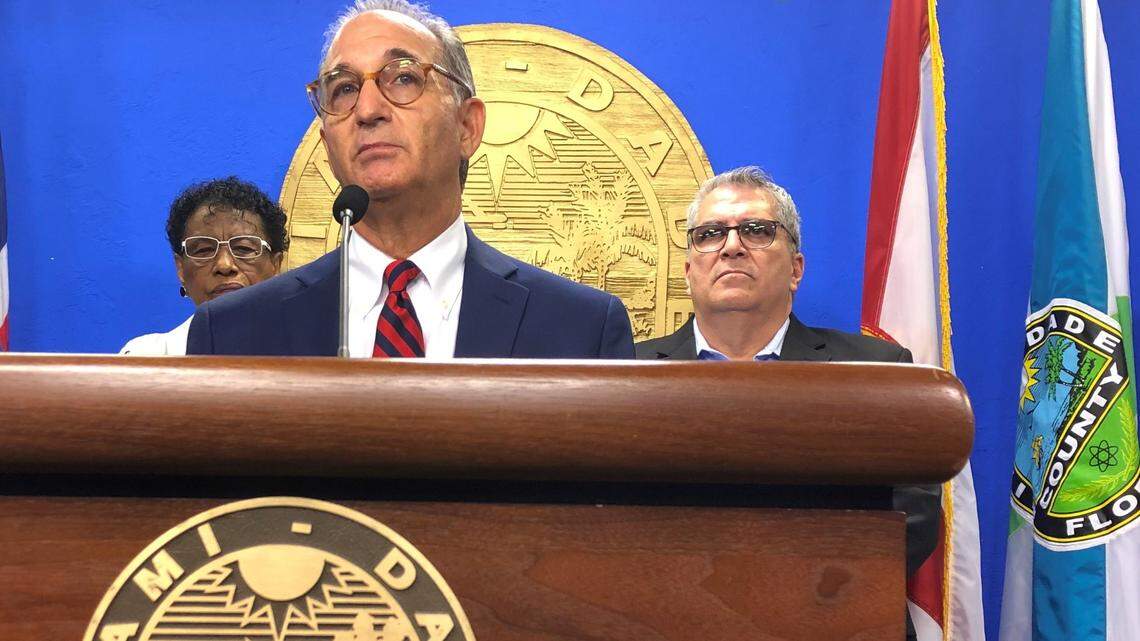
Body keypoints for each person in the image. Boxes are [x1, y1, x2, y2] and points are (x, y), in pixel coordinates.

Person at [186, 0, 633, 358]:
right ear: (327, 143)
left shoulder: (580, 329)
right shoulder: (232, 333)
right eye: (343, 88)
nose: (367, 110)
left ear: (467, 126)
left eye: (402, 78)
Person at [635, 166, 939, 641]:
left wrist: (763, 583)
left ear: (796, 268)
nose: (732, 246)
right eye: (710, 234)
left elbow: (910, 518)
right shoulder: (624, 374)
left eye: (756, 230)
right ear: (689, 268)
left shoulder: (874, 371)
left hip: (833, 621)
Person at [120, 177, 287, 355]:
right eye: (204, 250)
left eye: (244, 248)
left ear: (275, 265)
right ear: (181, 269)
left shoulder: (310, 355)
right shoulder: (145, 358)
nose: (224, 265)